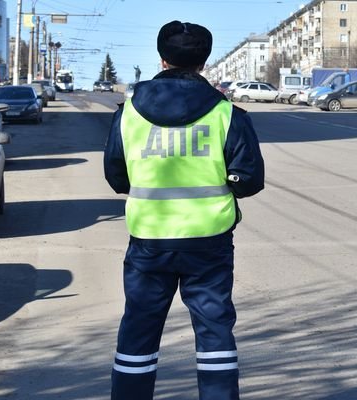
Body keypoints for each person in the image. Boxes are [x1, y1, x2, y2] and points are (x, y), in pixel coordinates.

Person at [104, 20, 264, 400]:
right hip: (209, 242)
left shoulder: (129, 113)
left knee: (138, 331)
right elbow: (250, 179)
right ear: (203, 63)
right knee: (215, 334)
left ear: (162, 60)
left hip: (149, 241)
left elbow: (117, 177)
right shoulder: (227, 113)